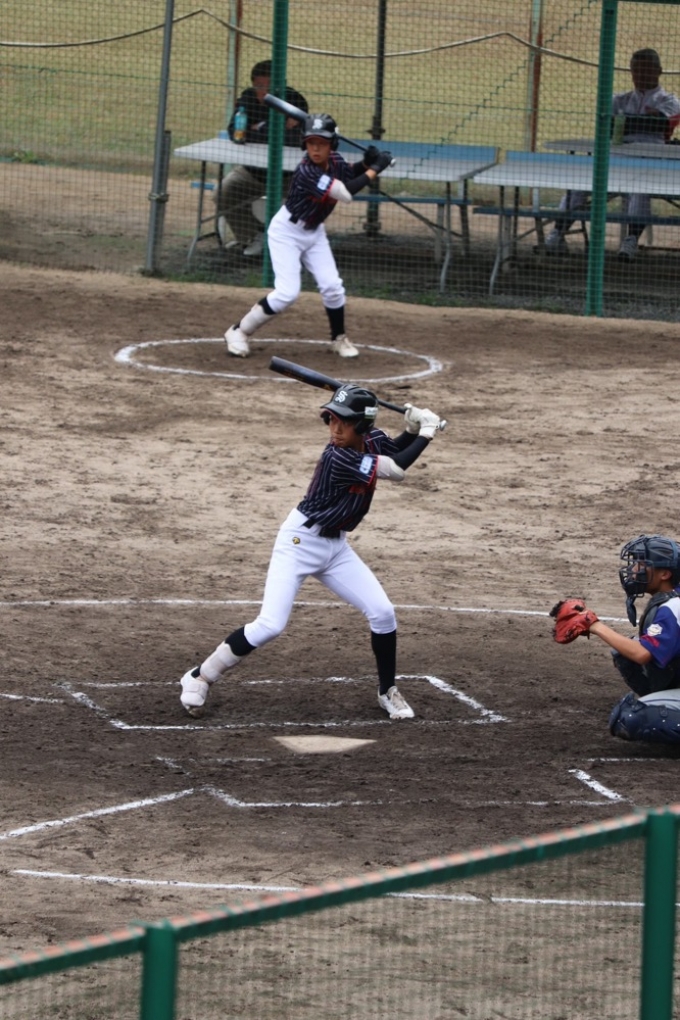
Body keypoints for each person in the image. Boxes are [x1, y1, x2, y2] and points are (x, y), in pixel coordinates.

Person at [179, 387, 443, 721]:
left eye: (344, 422)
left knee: (383, 613)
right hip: (299, 543)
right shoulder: (338, 456)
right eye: (331, 420)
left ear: (362, 426)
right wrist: (428, 432)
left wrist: (412, 429)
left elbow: (394, 449)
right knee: (270, 625)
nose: (335, 429)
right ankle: (199, 676)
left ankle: (387, 691)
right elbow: (397, 469)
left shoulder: (372, 439)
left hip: (336, 548)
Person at [224, 113, 393, 359]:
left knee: (333, 287)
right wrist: (377, 168)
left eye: (322, 143)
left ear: (332, 144)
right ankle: (238, 331)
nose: (315, 148)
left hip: (314, 232)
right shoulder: (307, 171)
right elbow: (345, 193)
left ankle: (338, 338)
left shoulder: (334, 160)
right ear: (305, 144)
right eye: (311, 142)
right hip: (287, 233)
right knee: (286, 294)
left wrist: (366, 163)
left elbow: (347, 173)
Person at [543, 49, 680, 261]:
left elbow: (660, 125)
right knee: (578, 185)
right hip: (615, 158)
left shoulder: (670, 101)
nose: (639, 75)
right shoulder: (619, 99)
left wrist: (624, 122)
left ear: (658, 71)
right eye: (635, 70)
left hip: (650, 160)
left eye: (645, 69)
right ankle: (557, 234)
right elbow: (605, 126)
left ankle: (631, 240)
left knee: (639, 189)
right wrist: (644, 121)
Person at [554, 535, 680, 745]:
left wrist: (594, 625)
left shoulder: (673, 607)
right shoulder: (673, 599)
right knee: (626, 652)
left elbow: (642, 655)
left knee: (630, 717)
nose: (634, 570)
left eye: (642, 564)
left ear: (664, 574)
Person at [216, 60, 308, 257]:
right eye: (259, 86)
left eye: (270, 86)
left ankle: (288, 244)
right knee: (224, 191)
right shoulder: (247, 99)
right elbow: (236, 133)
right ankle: (252, 237)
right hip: (252, 172)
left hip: (288, 175)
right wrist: (276, 128)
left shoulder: (296, 101)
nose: (265, 92)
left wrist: (258, 128)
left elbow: (295, 139)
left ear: (281, 85)